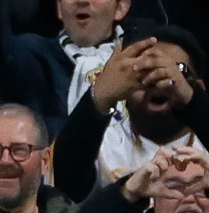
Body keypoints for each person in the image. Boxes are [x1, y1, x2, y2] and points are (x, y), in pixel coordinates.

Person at [52, 25, 209, 202]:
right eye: (144, 72)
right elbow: (65, 181)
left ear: (199, 89)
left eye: (178, 70)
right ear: (124, 89)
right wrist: (101, 96)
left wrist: (191, 100)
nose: (158, 81)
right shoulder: (103, 142)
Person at [0, 0, 131, 134]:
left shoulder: (141, 59)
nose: (81, 1)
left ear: (121, 7)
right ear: (59, 7)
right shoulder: (31, 55)